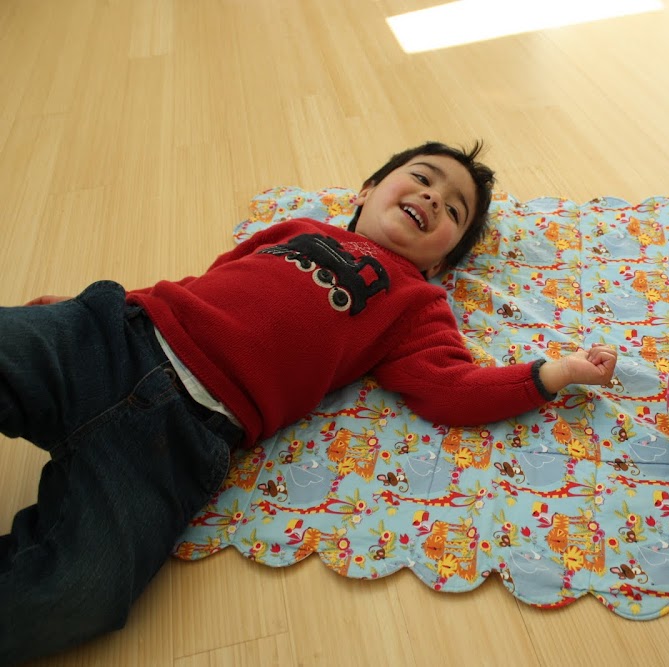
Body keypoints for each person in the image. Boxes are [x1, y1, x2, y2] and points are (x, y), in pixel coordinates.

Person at [0, 141, 617, 665]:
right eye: (423, 178)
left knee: (82, 591)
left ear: (444, 262)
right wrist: (80, 308)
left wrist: (555, 373)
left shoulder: (417, 304)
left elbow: (451, 388)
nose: (433, 198)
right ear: (368, 190)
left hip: (180, 440)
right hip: (112, 337)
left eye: (453, 209)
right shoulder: (298, 230)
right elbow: (206, 284)